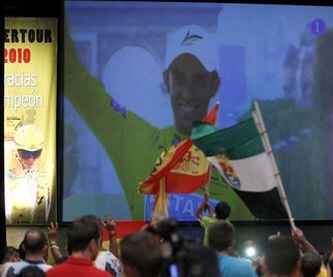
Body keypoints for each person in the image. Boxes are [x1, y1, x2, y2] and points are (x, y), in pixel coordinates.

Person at [64, 21, 254, 220]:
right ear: (166, 80)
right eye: (179, 78)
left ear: (214, 84)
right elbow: (75, 78)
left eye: (198, 80)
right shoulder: (136, 141)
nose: (187, 94)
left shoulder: (237, 165)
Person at [4, 124, 50, 224]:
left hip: (28, 189)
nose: (31, 159)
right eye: (25, 153)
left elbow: (43, 184)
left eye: (36, 153)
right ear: (16, 149)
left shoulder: (44, 158)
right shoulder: (6, 155)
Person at [46, 215, 110, 277]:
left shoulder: (50, 274)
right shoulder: (103, 276)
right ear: (92, 244)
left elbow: (60, 260)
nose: (99, 247)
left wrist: (52, 241)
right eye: (99, 242)